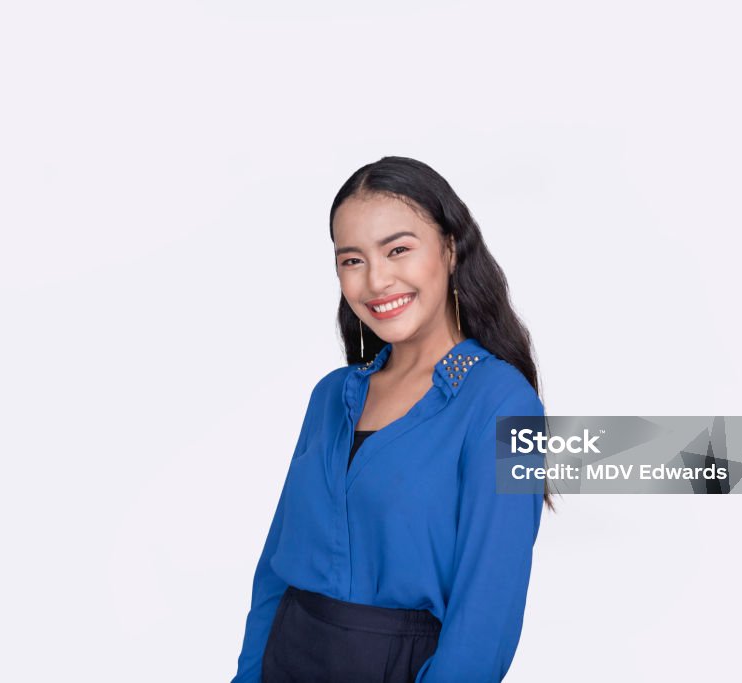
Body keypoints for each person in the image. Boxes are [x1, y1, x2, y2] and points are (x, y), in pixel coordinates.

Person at [230, 156, 553, 682]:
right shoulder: (331, 397)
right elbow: (274, 572)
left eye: (398, 249)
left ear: (450, 248)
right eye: (351, 260)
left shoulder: (501, 403)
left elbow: (485, 618)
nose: (376, 280)